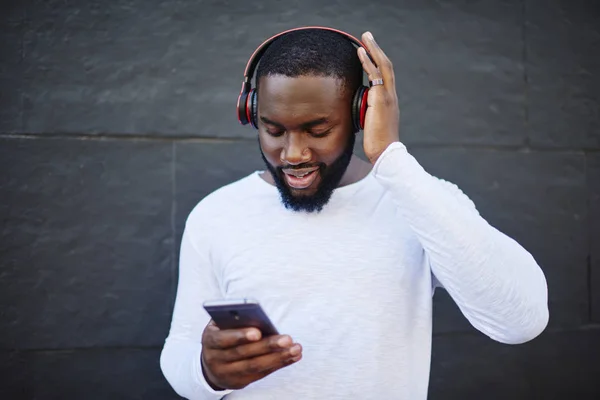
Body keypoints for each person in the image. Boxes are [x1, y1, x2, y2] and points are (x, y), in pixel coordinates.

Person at [160, 27, 549, 399]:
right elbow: (179, 350)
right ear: (251, 114)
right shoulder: (215, 214)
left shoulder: (416, 200)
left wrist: (391, 159)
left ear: (361, 115)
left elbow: (521, 320)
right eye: (274, 130)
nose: (293, 154)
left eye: (318, 130)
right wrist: (206, 372)